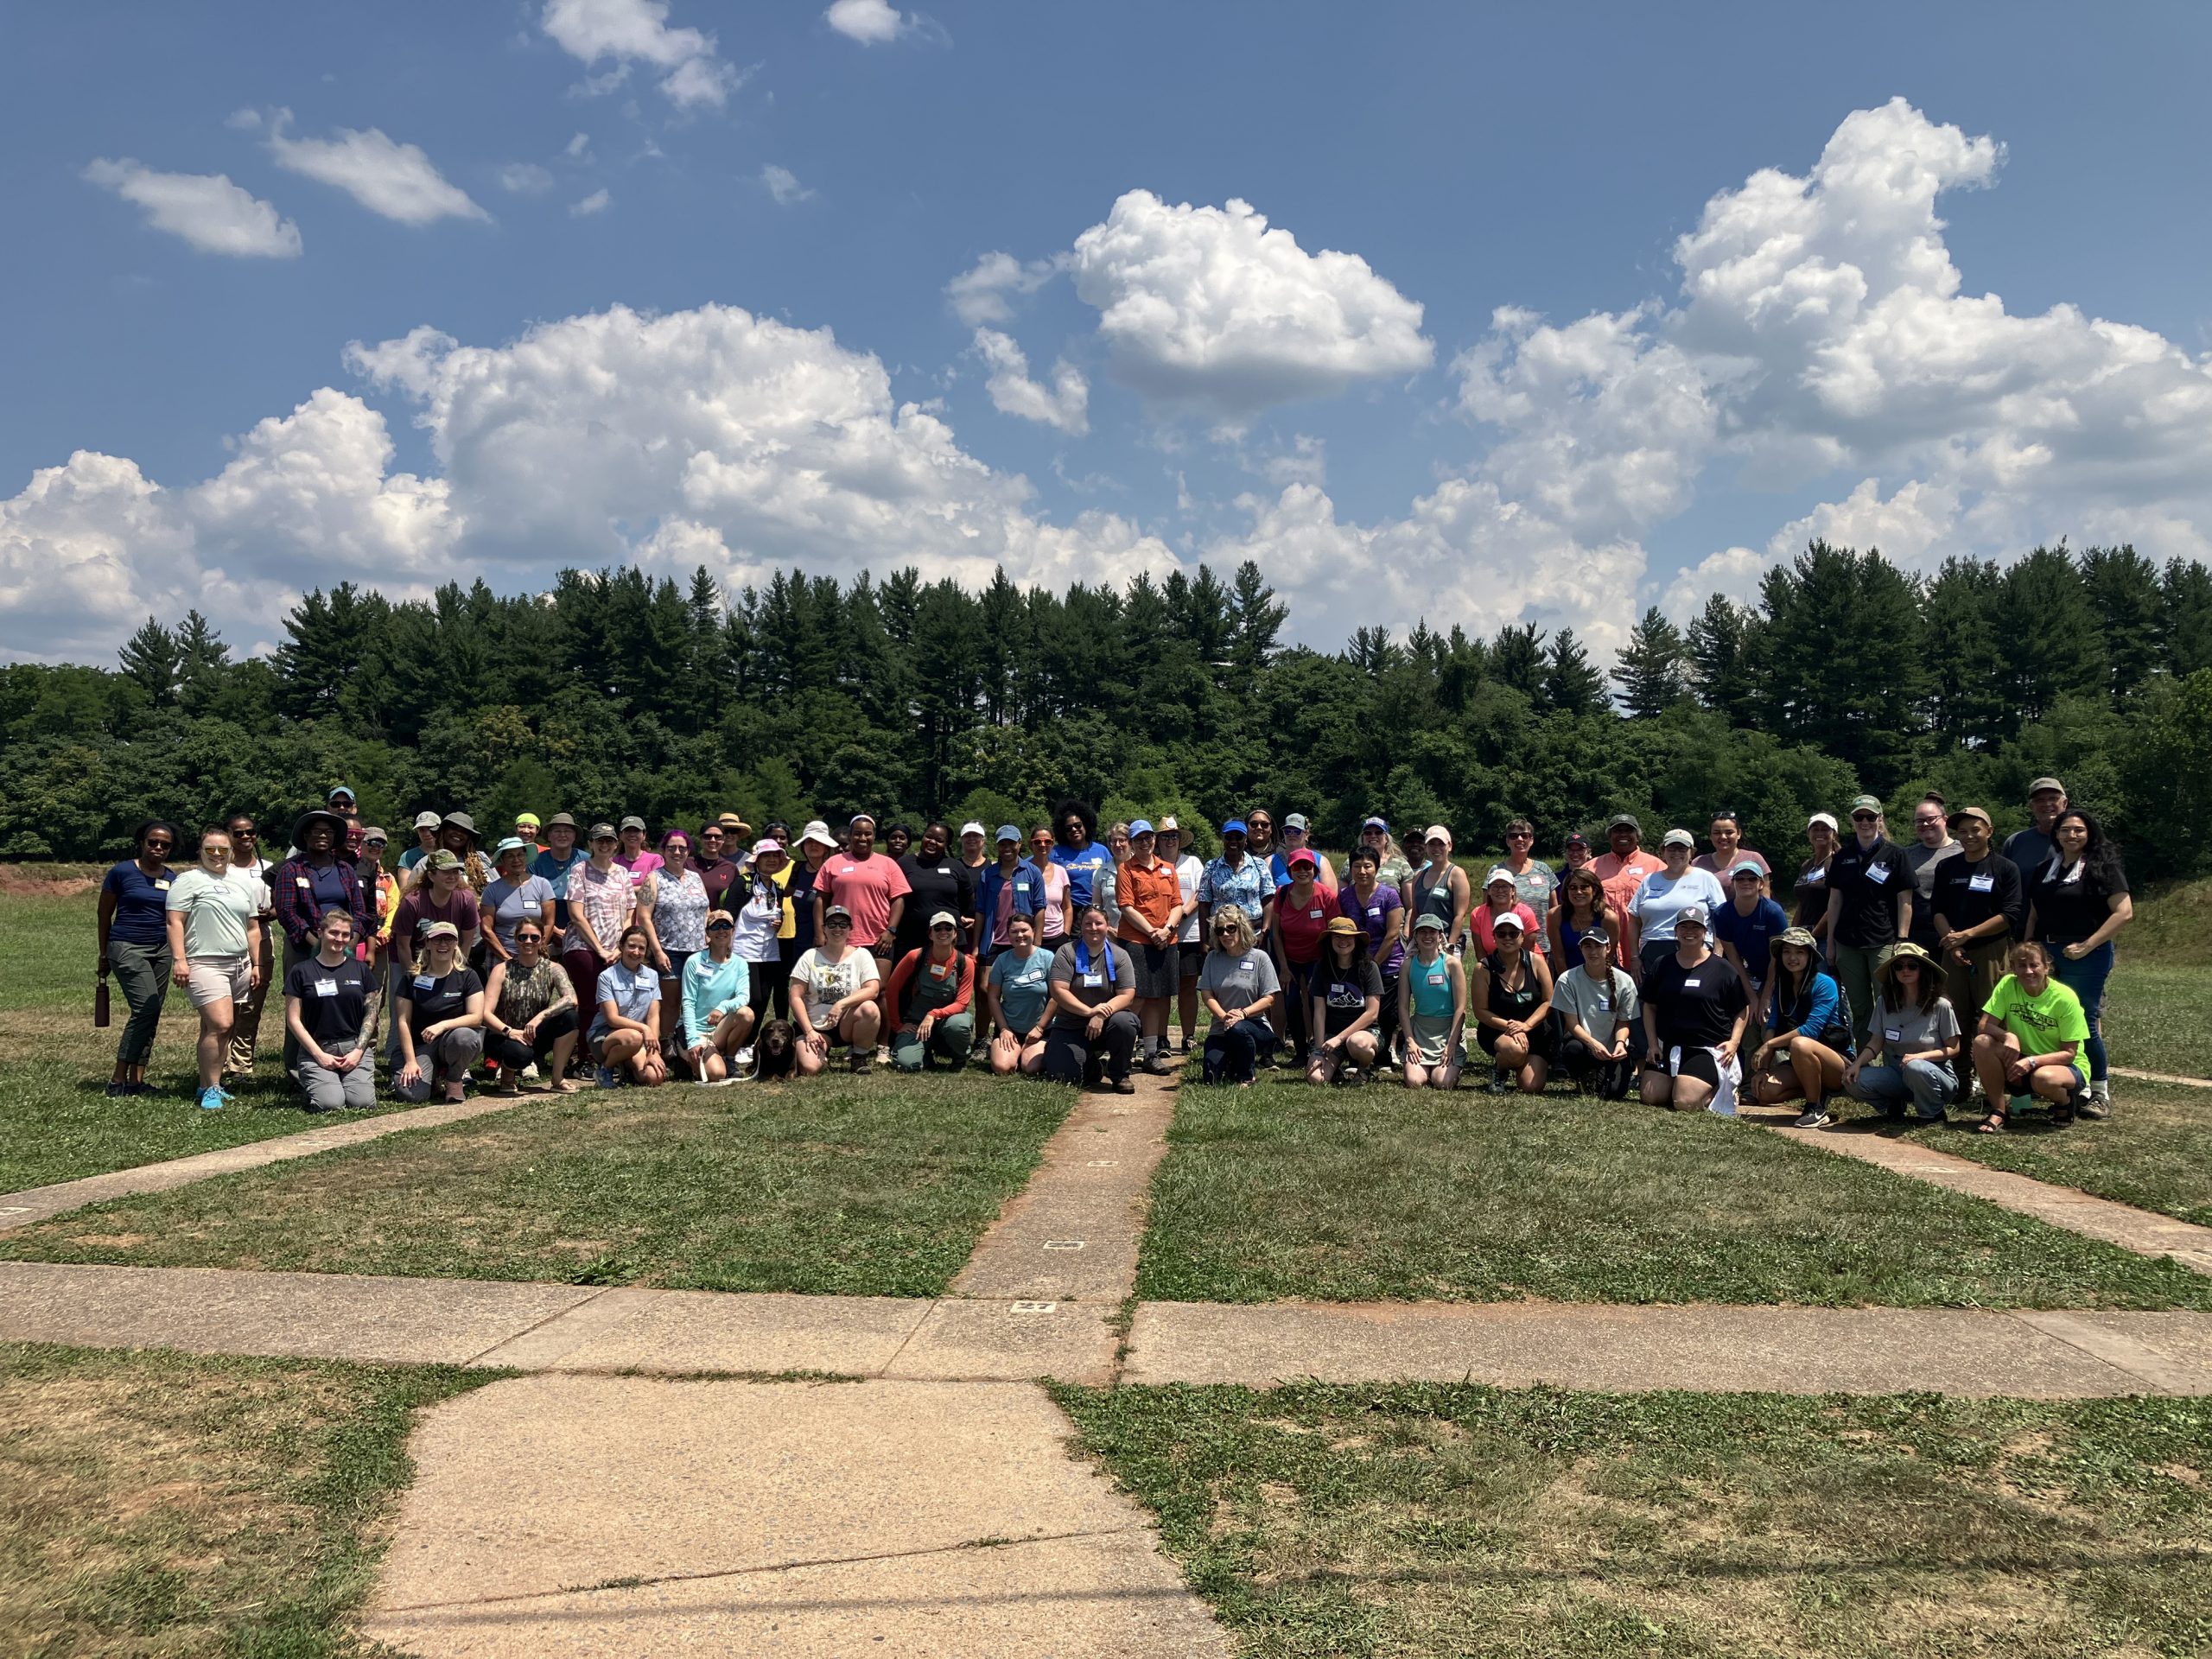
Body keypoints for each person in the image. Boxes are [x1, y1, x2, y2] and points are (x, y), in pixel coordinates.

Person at [2024, 808, 2133, 1115]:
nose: (2071, 835)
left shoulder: (2103, 868)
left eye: (2078, 830)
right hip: (2048, 953)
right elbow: (2035, 911)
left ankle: (2099, 1091)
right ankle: (2073, 1088)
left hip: (2088, 955)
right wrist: (2029, 947)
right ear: (2056, 834)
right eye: (2065, 830)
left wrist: (2088, 945)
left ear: (2090, 834)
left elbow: (2124, 912)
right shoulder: (2046, 869)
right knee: (2048, 1020)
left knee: (2084, 1023)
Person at [164, 825, 266, 1111]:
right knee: (222, 1023)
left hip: (239, 964)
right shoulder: (188, 881)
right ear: (201, 852)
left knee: (217, 1028)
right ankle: (211, 1088)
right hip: (203, 962)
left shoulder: (241, 884)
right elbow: (175, 922)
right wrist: (180, 960)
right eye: (211, 849)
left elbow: (253, 928)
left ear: (231, 852)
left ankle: (210, 1083)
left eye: (223, 850)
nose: (217, 855)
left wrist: (256, 963)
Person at [272, 809, 370, 1070]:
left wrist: (349, 942)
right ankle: (297, 1067)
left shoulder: (346, 871)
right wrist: (315, 941)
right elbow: (286, 911)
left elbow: (360, 912)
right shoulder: (291, 870)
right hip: (303, 947)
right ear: (305, 836)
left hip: (343, 947)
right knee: (302, 1008)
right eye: (316, 831)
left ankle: (344, 1062)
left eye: (328, 832)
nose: (322, 836)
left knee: (341, 1004)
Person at [1638, 903, 1750, 1114]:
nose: (1689, 932)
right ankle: (1679, 1082)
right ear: (1676, 931)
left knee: (1684, 1102)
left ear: (1705, 932)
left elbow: (1742, 1010)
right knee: (1650, 1096)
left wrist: (1734, 1042)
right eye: (1684, 927)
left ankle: (1718, 1088)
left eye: (1695, 927)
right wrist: (1653, 1044)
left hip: (1706, 1048)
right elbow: (1650, 1006)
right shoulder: (1662, 964)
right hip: (1669, 1045)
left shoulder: (1723, 969)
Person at [1970, 940, 2091, 1133]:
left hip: (2064, 1066)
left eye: (2034, 965)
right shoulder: (2008, 985)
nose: (2028, 971)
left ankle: (2065, 1101)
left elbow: (2069, 1053)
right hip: (2022, 1059)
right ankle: (1999, 1111)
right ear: (2014, 969)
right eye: (2022, 965)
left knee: (2044, 1078)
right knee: (1982, 1042)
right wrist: (2008, 1035)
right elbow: (1984, 1026)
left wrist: (2032, 1062)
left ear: (2046, 967)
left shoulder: (2064, 997)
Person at [1821, 795, 1912, 1051]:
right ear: (1852, 821)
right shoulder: (1843, 856)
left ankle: (1896, 1060)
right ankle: (1865, 1063)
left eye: (1871, 817)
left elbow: (1905, 901)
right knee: (1860, 1008)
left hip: (1883, 941)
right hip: (1847, 944)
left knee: (1890, 1002)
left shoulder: (1896, 854)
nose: (1865, 822)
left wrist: (1902, 941)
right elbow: (1835, 901)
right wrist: (1830, 943)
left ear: (1880, 819)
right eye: (1859, 817)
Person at [98, 820, 179, 1097]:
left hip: (161, 949)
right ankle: (117, 1079)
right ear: (142, 842)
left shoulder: (172, 878)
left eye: (164, 845)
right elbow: (103, 914)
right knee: (146, 1007)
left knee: (152, 1012)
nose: (158, 848)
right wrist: (103, 953)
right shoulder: (121, 872)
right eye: (153, 842)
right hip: (126, 946)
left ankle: (136, 1080)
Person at [1930, 806, 2024, 1039]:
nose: (1969, 836)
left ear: (1989, 831)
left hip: (1991, 951)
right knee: (1953, 1015)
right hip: (1952, 951)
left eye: (1975, 830)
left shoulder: (2005, 868)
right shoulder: (1946, 867)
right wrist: (1954, 943)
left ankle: (1991, 1072)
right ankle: (1959, 1074)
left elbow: (2010, 914)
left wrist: (1969, 934)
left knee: (1992, 1015)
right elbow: (1937, 910)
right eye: (1962, 831)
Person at [1747, 927, 1854, 1128]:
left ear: (1811, 956)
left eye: (1799, 952)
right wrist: (1763, 1069)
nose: (1792, 957)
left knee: (1800, 1043)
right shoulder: (1782, 985)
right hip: (1801, 1059)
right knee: (1764, 1092)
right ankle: (1817, 1090)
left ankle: (1815, 1108)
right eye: (1787, 951)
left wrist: (1769, 1045)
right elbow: (1772, 1025)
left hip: (1837, 1062)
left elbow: (1810, 1031)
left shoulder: (1825, 983)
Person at [1842, 943, 1961, 1122]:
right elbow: (1876, 1042)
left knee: (1916, 1067)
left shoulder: (1941, 1005)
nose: (1905, 970)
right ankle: (1892, 1106)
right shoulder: (1885, 1002)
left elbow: (1954, 1049)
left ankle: (1932, 1113)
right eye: (1899, 967)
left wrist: (1920, 1057)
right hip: (1897, 1071)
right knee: (1853, 1080)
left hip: (1935, 1072)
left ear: (1924, 970)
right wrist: (1857, 1064)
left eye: (1912, 965)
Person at [285, 908, 377, 1112]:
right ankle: (322, 1084)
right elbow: (293, 1020)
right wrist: (319, 1055)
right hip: (319, 1047)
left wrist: (358, 1051)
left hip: (353, 1047)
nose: (340, 939)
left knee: (362, 1103)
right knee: (330, 1104)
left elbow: (371, 1015)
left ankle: (344, 1081)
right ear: (320, 933)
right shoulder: (301, 971)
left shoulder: (360, 969)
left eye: (345, 934)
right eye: (334, 932)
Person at [811, 816, 911, 1005]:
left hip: (879, 940)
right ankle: (844, 1034)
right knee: (841, 989)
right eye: (857, 834)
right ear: (850, 836)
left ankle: (881, 1036)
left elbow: (898, 900)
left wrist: (891, 930)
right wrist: (819, 933)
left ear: (874, 836)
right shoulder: (833, 863)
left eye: (867, 834)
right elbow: (820, 899)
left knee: (880, 991)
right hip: (840, 938)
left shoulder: (888, 864)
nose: (862, 838)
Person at [1044, 906, 1141, 1092]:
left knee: (1125, 1022)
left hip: (1108, 1023)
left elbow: (1127, 995)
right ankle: (1092, 1066)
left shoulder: (1120, 955)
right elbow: (1058, 990)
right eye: (1088, 923)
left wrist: (1101, 1014)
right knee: (1063, 1077)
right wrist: (1089, 1012)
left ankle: (1120, 1074)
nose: (1093, 928)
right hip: (1071, 1024)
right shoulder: (1066, 952)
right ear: (1081, 926)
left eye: (1099, 923)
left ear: (1107, 926)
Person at [1115, 820, 1185, 1073]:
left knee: (1155, 998)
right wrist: (1152, 931)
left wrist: (1167, 930)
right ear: (1132, 844)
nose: (1144, 843)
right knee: (1136, 997)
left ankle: (1151, 1053)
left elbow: (1178, 903)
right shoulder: (1126, 869)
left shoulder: (1168, 868)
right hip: (1136, 941)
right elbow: (1126, 906)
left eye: (1148, 838)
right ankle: (1122, 1050)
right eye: (1138, 839)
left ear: (1153, 840)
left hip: (1166, 940)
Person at [481, 918, 580, 1094]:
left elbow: (571, 998)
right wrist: (509, 1031)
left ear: (542, 940)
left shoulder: (553, 968)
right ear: (515, 939)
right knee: (521, 1056)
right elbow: (485, 1013)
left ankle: (557, 1078)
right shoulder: (502, 969)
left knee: (570, 1016)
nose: (528, 941)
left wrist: (540, 1017)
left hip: (533, 1032)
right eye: (523, 937)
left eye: (534, 938)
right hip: (503, 1035)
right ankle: (507, 1071)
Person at [393, 920, 485, 1103]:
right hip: (421, 1046)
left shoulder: (468, 976)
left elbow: (476, 1017)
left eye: (449, 940)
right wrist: (411, 1061)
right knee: (411, 1094)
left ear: (456, 944)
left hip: (452, 1042)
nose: (443, 945)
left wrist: (442, 1026)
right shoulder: (412, 978)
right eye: (437, 940)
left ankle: (454, 1080)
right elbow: (403, 1022)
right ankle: (432, 1076)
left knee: (465, 1038)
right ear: (427, 943)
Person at [220, 810, 279, 1078]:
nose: (246, 837)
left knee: (252, 1005)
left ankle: (241, 1064)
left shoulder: (268, 868)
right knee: (224, 1004)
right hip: (226, 940)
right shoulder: (220, 868)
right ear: (229, 836)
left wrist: (267, 914)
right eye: (239, 833)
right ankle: (219, 1060)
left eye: (250, 832)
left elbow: (280, 906)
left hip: (261, 939)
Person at [561, 824, 633, 1042]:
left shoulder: (622, 873)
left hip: (615, 948)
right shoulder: (579, 870)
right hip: (583, 947)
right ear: (591, 844)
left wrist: (620, 947)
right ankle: (585, 1055)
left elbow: (630, 914)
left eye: (609, 841)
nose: (604, 845)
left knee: (615, 1001)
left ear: (616, 844)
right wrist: (600, 949)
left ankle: (610, 1048)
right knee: (591, 1001)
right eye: (599, 840)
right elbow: (576, 915)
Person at [790, 905, 882, 1075]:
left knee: (870, 1008)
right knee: (810, 1068)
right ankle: (821, 1054)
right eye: (832, 924)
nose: (837, 929)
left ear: (850, 929)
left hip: (846, 1023)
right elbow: (795, 996)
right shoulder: (810, 956)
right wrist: (808, 1031)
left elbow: (873, 989)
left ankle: (859, 1056)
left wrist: (841, 1004)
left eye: (843, 925)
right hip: (816, 1026)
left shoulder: (861, 955)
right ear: (823, 928)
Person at [1470, 912, 1555, 1093]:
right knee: (1515, 1050)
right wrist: (1511, 1027)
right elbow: (1480, 1011)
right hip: (1498, 1029)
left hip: (1534, 1029)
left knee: (1531, 1086)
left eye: (1513, 933)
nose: (1507, 938)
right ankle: (1501, 1070)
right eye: (1501, 934)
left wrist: (1526, 1026)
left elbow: (1549, 1001)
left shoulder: (1537, 962)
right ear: (1494, 937)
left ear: (1522, 936)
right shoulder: (1483, 968)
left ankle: (1517, 1062)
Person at [1628, 831, 1730, 982]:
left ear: (1692, 852)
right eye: (1671, 849)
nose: (1677, 853)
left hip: (1695, 948)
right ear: (1663, 851)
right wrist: (1635, 957)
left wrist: (1718, 952)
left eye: (1682, 849)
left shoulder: (1706, 878)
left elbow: (1722, 918)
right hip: (1652, 951)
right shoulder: (1650, 880)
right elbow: (1634, 920)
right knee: (1654, 1002)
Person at [1198, 905, 1281, 1085]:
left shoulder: (1260, 957)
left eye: (1231, 928)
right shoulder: (1213, 958)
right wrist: (1224, 1016)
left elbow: (1269, 998)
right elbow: (1207, 994)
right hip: (1221, 1028)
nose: (1226, 934)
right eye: (1220, 930)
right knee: (1210, 1077)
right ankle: (1231, 1062)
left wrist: (1242, 1014)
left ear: (1241, 928)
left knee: (1238, 1029)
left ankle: (1246, 1075)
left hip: (1254, 1025)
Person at [1272, 849, 1339, 1065]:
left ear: (1314, 870)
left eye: (1307, 867)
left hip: (1318, 959)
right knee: (1291, 1003)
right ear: (1290, 870)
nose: (1302, 871)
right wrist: (1283, 967)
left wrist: (1323, 969)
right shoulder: (1282, 894)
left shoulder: (1326, 896)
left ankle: (1319, 1047)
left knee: (1315, 1001)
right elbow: (1276, 934)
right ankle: (1300, 1052)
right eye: (1297, 867)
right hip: (1289, 959)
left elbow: (1334, 933)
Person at [1554, 928, 1639, 1098]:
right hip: (1584, 1045)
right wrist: (1593, 1044)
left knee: (1613, 1094)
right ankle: (1582, 1076)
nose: (1592, 951)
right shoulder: (1567, 979)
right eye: (1587, 946)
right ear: (1581, 949)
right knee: (1573, 1050)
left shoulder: (1625, 981)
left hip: (1611, 1048)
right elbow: (1572, 1024)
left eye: (1598, 946)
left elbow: (1624, 1022)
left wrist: (1620, 1044)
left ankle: (1600, 1074)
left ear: (1608, 948)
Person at [888, 912, 976, 1072]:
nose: (943, 932)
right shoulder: (915, 956)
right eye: (938, 928)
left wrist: (934, 1014)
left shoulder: (966, 963)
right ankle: (924, 1053)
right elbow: (891, 989)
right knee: (907, 1065)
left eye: (948, 928)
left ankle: (959, 1058)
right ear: (930, 934)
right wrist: (897, 1025)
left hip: (947, 1022)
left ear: (955, 933)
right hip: (916, 1024)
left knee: (959, 1024)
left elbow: (962, 1003)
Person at [637, 830, 708, 1027]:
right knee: (671, 1003)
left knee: (695, 1003)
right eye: (672, 848)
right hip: (669, 952)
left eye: (682, 848)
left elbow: (705, 910)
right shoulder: (653, 878)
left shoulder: (695, 877)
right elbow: (643, 917)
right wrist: (658, 951)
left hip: (698, 952)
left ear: (689, 851)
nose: (677, 852)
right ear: (664, 850)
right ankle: (666, 1046)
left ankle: (689, 1044)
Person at [1712, 861, 1789, 1027]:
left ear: (1761, 884)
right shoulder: (1722, 914)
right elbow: (1734, 958)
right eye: (1740, 879)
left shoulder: (1772, 912)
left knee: (1768, 1019)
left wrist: (1766, 995)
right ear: (1732, 883)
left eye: (1752, 879)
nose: (1746, 882)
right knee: (1749, 1018)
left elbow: (1777, 956)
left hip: (1780, 971)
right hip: (1750, 972)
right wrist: (1752, 997)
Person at [588, 925, 666, 1088]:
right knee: (633, 1038)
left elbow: (653, 1016)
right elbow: (612, 1019)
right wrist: (644, 1030)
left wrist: (654, 1052)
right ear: (621, 946)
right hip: (605, 1036)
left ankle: (626, 1068)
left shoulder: (652, 976)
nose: (636, 952)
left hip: (637, 1038)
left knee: (654, 1077)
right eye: (631, 946)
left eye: (641, 948)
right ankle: (605, 1070)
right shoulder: (606, 977)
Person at [677, 910, 752, 1082]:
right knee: (717, 1074)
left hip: (720, 1029)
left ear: (733, 930)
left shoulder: (740, 963)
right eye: (715, 926)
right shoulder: (695, 961)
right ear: (707, 933)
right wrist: (693, 1040)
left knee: (746, 1014)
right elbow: (687, 1003)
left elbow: (743, 997)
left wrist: (723, 1007)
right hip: (698, 1030)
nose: (721, 930)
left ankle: (729, 1059)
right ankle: (685, 1051)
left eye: (726, 926)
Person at [1307, 917, 1383, 1084]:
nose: (1343, 941)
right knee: (1315, 1079)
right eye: (1338, 936)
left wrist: (1340, 1038)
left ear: (1356, 940)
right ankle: (1336, 1070)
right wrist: (1319, 1050)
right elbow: (1319, 1012)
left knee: (1358, 1043)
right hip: (1331, 1035)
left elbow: (1372, 1013)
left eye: (1348, 936)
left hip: (1364, 1033)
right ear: (1330, 941)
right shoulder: (1321, 967)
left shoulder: (1370, 967)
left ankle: (1364, 1069)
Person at [1397, 912, 1467, 1090]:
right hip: (1420, 1030)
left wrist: (1451, 1045)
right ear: (1416, 936)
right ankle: (1423, 1067)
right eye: (1422, 932)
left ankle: (1445, 1067)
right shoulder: (1408, 964)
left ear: (1440, 936)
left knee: (1443, 1082)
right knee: (1414, 1081)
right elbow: (1403, 1008)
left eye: (1432, 932)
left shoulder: (1452, 964)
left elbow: (1461, 1007)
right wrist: (1410, 1041)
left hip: (1448, 1030)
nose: (1427, 936)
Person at [893, 821, 973, 969]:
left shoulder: (955, 866)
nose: (932, 842)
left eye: (939, 840)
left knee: (945, 984)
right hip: (911, 937)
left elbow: (967, 897)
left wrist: (956, 914)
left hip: (947, 937)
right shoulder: (905, 863)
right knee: (908, 986)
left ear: (946, 844)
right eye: (929, 837)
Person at [732, 839, 794, 1027]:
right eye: (766, 856)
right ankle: (738, 1040)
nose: (772, 860)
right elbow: (728, 916)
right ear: (756, 860)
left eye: (776, 856)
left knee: (765, 997)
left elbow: (777, 913)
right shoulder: (743, 883)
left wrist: (779, 922)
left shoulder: (778, 888)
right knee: (753, 998)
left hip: (769, 952)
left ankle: (750, 1043)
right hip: (744, 951)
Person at [1340, 846, 1405, 1020]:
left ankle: (1390, 1045)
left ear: (1376, 868)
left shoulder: (1389, 895)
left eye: (1367, 866)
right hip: (1355, 965)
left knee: (1387, 1015)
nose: (1362, 871)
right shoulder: (1344, 896)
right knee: (1358, 1013)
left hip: (1388, 964)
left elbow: (1392, 934)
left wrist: (1372, 966)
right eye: (1357, 866)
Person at [1592, 814, 1663, 970]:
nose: (1623, 834)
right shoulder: (1591, 867)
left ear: (1637, 836)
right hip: (1603, 948)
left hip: (1643, 948)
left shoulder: (1657, 866)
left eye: (1628, 830)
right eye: (1617, 831)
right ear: (1609, 836)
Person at [986, 911, 1053, 1076]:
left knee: (1031, 1068)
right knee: (1003, 1068)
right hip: (1011, 1029)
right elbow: (993, 997)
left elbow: (1057, 997)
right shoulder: (1002, 960)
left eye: (1024, 930)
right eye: (1014, 931)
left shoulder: (1047, 958)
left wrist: (1040, 1027)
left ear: (1034, 931)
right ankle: (1012, 1051)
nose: (1020, 935)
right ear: (1008, 935)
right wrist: (1003, 1029)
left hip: (1040, 1030)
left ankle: (1028, 1052)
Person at [1160, 817, 1207, 1053]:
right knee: (1161, 988)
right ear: (1158, 841)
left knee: (1188, 986)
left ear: (1180, 840)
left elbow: (1201, 891)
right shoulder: (1152, 863)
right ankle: (1161, 1037)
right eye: (1165, 837)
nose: (1170, 841)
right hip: (1160, 935)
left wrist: (1182, 915)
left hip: (1190, 933)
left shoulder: (1193, 863)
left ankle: (1188, 1035)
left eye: (1174, 836)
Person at [976, 824, 1046, 966]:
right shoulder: (987, 875)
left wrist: (1037, 942)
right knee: (986, 986)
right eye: (1002, 844)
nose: (1007, 848)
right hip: (994, 940)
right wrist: (976, 946)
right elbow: (980, 912)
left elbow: (1040, 909)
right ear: (997, 846)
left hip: (1023, 940)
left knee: (1020, 985)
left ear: (1019, 844)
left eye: (1011, 843)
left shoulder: (1033, 873)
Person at [480, 839, 555, 971]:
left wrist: (539, 948)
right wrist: (506, 958)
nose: (516, 860)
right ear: (502, 860)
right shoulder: (492, 890)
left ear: (526, 857)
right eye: (510, 856)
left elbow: (549, 922)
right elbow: (486, 929)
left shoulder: (542, 885)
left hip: (535, 954)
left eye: (520, 854)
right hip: (501, 956)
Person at [1198, 819, 1274, 949]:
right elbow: (1204, 904)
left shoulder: (1259, 865)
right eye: (1229, 837)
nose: (1234, 841)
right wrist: (1204, 940)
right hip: (1222, 935)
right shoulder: (1211, 866)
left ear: (1245, 840)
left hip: (1253, 933)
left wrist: (1264, 932)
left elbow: (1268, 899)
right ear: (1223, 840)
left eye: (1238, 837)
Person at [1902, 796, 1961, 954]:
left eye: (1931, 819)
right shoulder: (1906, 855)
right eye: (1919, 821)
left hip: (1956, 933)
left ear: (1945, 820)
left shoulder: (1964, 851)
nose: (1925, 824)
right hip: (1917, 935)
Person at [1408, 826, 1471, 955]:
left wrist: (1450, 945)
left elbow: (1460, 915)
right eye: (1431, 844)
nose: (1436, 848)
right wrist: (1411, 941)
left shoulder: (1456, 874)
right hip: (1423, 941)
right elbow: (1415, 913)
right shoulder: (1418, 876)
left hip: (1446, 940)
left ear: (1449, 846)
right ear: (1426, 847)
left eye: (1441, 844)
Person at [1497, 819, 1554, 953]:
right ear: (1507, 841)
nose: (1520, 839)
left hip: (1544, 945)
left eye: (1525, 835)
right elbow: (1488, 909)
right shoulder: (1497, 871)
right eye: (1514, 836)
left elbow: (1554, 910)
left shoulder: (1544, 869)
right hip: (1509, 945)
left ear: (1532, 840)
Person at [1050, 800, 1115, 912]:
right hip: (1071, 911)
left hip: (1099, 909)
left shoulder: (1102, 851)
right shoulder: (1056, 853)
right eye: (1068, 828)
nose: (1074, 830)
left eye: (1077, 825)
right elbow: (1035, 865)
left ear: (1086, 824)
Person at [1549, 867, 1618, 966]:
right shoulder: (1555, 916)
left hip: (1601, 974)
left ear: (1594, 891)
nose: (1578, 892)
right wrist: (1567, 981)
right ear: (1567, 891)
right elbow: (1559, 956)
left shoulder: (1608, 918)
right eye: (1573, 887)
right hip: (1567, 975)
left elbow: (1609, 957)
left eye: (1584, 887)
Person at [2003, 777, 2068, 876]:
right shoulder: (2015, 842)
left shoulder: (2079, 840)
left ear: (2064, 803)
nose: (2047, 804)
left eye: (2053, 798)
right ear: (2031, 806)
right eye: (2040, 800)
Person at [1469, 867, 1540, 957]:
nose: (1500, 890)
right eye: (1495, 887)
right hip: (1494, 964)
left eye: (1505, 887)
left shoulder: (1526, 913)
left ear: (1513, 891)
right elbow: (1480, 954)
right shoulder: (1477, 914)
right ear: (1489, 891)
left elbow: (1528, 952)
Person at [1792, 813, 1840, 943]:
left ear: (1834, 834)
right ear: (1808, 834)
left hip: (1825, 936)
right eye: (1815, 829)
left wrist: (1815, 933)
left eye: (1825, 829)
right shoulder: (1806, 865)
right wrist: (1793, 932)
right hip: (1804, 935)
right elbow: (1802, 902)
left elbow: (1837, 902)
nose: (1820, 833)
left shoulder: (1837, 863)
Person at [1027, 823, 1075, 944]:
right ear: (1031, 844)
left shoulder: (1061, 872)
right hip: (1029, 936)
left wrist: (1066, 933)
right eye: (1038, 842)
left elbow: (1067, 907)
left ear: (1052, 844)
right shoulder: (1023, 872)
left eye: (1047, 841)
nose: (1043, 845)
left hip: (1057, 936)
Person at [1693, 812, 1770, 881]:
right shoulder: (1698, 863)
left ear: (1739, 834)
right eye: (1717, 833)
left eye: (1729, 832)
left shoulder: (1753, 858)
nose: (1723, 837)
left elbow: (1765, 894)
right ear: (1710, 836)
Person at [1343, 816, 1412, 891]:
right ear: (1362, 838)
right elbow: (1340, 897)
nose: (1373, 836)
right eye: (1368, 833)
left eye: (1378, 832)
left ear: (1387, 839)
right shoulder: (1350, 862)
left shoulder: (1401, 863)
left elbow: (1409, 901)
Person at [1279, 814, 1339, 894]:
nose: (1292, 834)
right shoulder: (1271, 861)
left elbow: (1331, 896)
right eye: (1287, 831)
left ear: (1306, 834)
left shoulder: (1321, 861)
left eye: (1297, 831)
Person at [435, 811, 493, 893]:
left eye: (465, 831)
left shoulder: (480, 858)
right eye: (453, 828)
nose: (458, 833)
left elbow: (497, 888)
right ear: (443, 831)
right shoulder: (429, 862)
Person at [694, 821, 740, 912]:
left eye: (718, 837)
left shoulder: (731, 868)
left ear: (723, 840)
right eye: (708, 836)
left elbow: (736, 900)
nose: (713, 840)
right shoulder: (687, 864)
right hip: (691, 921)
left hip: (719, 923)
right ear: (701, 838)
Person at [613, 816, 663, 880]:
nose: (632, 834)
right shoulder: (613, 862)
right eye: (627, 831)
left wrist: (624, 888)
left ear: (644, 835)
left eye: (636, 831)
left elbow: (656, 886)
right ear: (621, 836)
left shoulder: (655, 860)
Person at [399, 810, 442, 875]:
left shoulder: (451, 853)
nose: (427, 834)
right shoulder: (408, 856)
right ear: (417, 832)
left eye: (431, 828)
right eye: (422, 830)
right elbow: (405, 885)